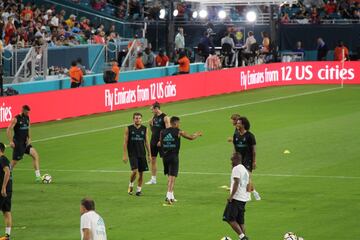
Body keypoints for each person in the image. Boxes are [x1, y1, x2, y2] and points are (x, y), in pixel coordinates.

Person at [160, 116, 202, 204]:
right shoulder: (179, 131)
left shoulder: (162, 132)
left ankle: (171, 196)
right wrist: (197, 134)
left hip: (165, 157)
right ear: (175, 123)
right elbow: (191, 137)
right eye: (179, 123)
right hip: (173, 156)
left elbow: (160, 143)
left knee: (169, 176)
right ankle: (168, 195)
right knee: (172, 177)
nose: (180, 124)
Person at [6, 105, 42, 183]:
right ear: (23, 110)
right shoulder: (16, 119)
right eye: (26, 112)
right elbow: (8, 130)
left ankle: (38, 176)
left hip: (26, 143)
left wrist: (29, 138)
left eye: (29, 112)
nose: (28, 113)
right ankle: (7, 173)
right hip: (18, 144)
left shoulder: (27, 118)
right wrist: (11, 141)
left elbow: (28, 128)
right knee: (14, 161)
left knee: (35, 155)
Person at [222, 152, 250, 240]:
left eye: (232, 160)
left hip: (236, 198)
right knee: (240, 220)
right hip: (243, 198)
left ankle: (242, 237)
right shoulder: (244, 169)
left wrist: (231, 196)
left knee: (229, 218)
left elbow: (236, 182)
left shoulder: (236, 169)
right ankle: (243, 237)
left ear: (236, 160)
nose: (231, 162)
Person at [123, 113, 151, 196]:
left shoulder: (145, 129)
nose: (137, 119)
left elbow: (146, 142)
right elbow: (125, 142)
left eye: (139, 118)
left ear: (141, 119)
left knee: (141, 173)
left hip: (142, 153)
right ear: (133, 119)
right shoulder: (128, 128)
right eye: (136, 118)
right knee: (135, 171)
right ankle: (131, 184)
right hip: (132, 153)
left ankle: (138, 190)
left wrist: (149, 154)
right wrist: (124, 154)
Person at [233, 117, 261, 201]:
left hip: (248, 159)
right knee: (241, 178)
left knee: (247, 177)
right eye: (237, 123)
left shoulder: (250, 136)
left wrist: (254, 161)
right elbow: (234, 147)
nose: (237, 124)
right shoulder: (236, 135)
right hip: (238, 160)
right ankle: (254, 192)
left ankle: (248, 196)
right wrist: (233, 158)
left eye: (239, 123)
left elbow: (254, 150)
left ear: (243, 125)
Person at [145, 102, 170, 185]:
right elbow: (154, 131)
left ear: (156, 109)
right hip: (153, 141)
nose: (151, 111)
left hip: (161, 142)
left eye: (152, 109)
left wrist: (161, 141)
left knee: (165, 160)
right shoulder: (154, 117)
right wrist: (151, 125)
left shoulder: (165, 117)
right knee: (153, 159)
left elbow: (168, 131)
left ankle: (169, 178)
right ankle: (153, 179)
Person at [0, 143, 12, 240]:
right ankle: (7, 236)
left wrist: (3, 187)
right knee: (6, 211)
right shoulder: (5, 159)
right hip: (8, 189)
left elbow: (7, 172)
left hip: (3, 190)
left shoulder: (2, 159)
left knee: (6, 212)